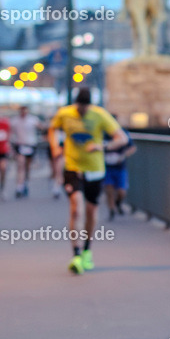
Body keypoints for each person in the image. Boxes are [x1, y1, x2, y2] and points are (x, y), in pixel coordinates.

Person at [48, 88, 128, 274]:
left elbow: (121, 138)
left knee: (91, 211)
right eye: (79, 107)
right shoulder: (65, 113)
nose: (82, 111)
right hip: (73, 168)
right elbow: (52, 129)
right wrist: (55, 147)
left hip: (95, 170)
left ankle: (87, 250)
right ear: (75, 104)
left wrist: (102, 146)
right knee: (76, 208)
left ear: (89, 105)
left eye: (85, 108)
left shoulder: (99, 115)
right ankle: (76, 253)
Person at [102, 122, 136, 219]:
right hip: (107, 167)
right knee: (109, 189)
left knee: (121, 191)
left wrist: (123, 156)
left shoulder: (123, 133)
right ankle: (111, 210)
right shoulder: (102, 134)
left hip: (120, 167)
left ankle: (118, 203)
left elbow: (132, 147)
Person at [9, 106, 42, 199]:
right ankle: (19, 186)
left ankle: (25, 183)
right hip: (20, 145)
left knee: (27, 167)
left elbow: (41, 127)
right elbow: (10, 132)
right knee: (20, 165)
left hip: (31, 145)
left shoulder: (33, 120)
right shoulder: (15, 121)